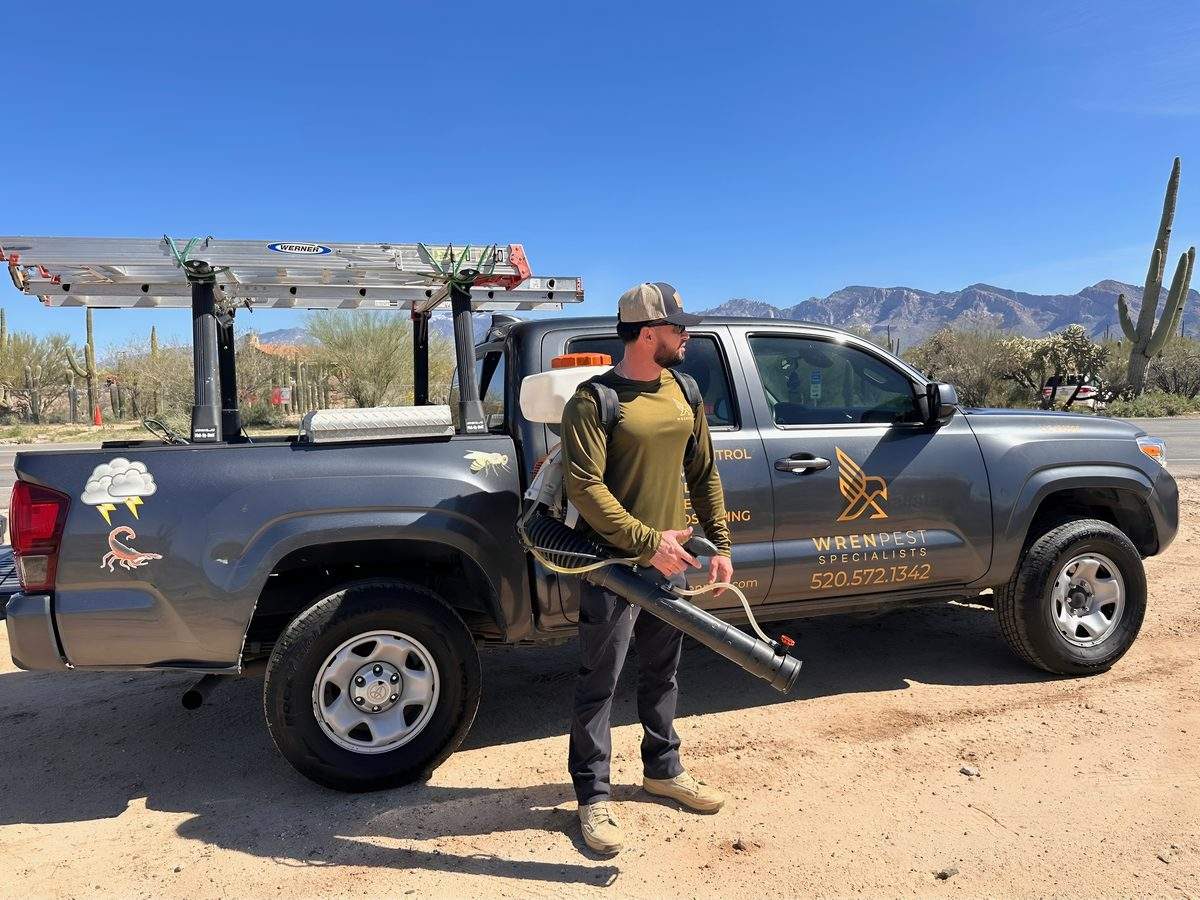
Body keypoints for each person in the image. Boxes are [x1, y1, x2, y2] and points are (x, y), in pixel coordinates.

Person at [560, 281, 734, 855]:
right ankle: (593, 797)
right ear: (647, 332)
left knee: (663, 671)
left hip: (670, 561)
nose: (686, 335)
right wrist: (644, 542)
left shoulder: (683, 388)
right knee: (599, 682)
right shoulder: (594, 400)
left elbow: (704, 470)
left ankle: (662, 768)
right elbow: (583, 487)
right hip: (612, 564)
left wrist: (720, 544)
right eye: (678, 327)